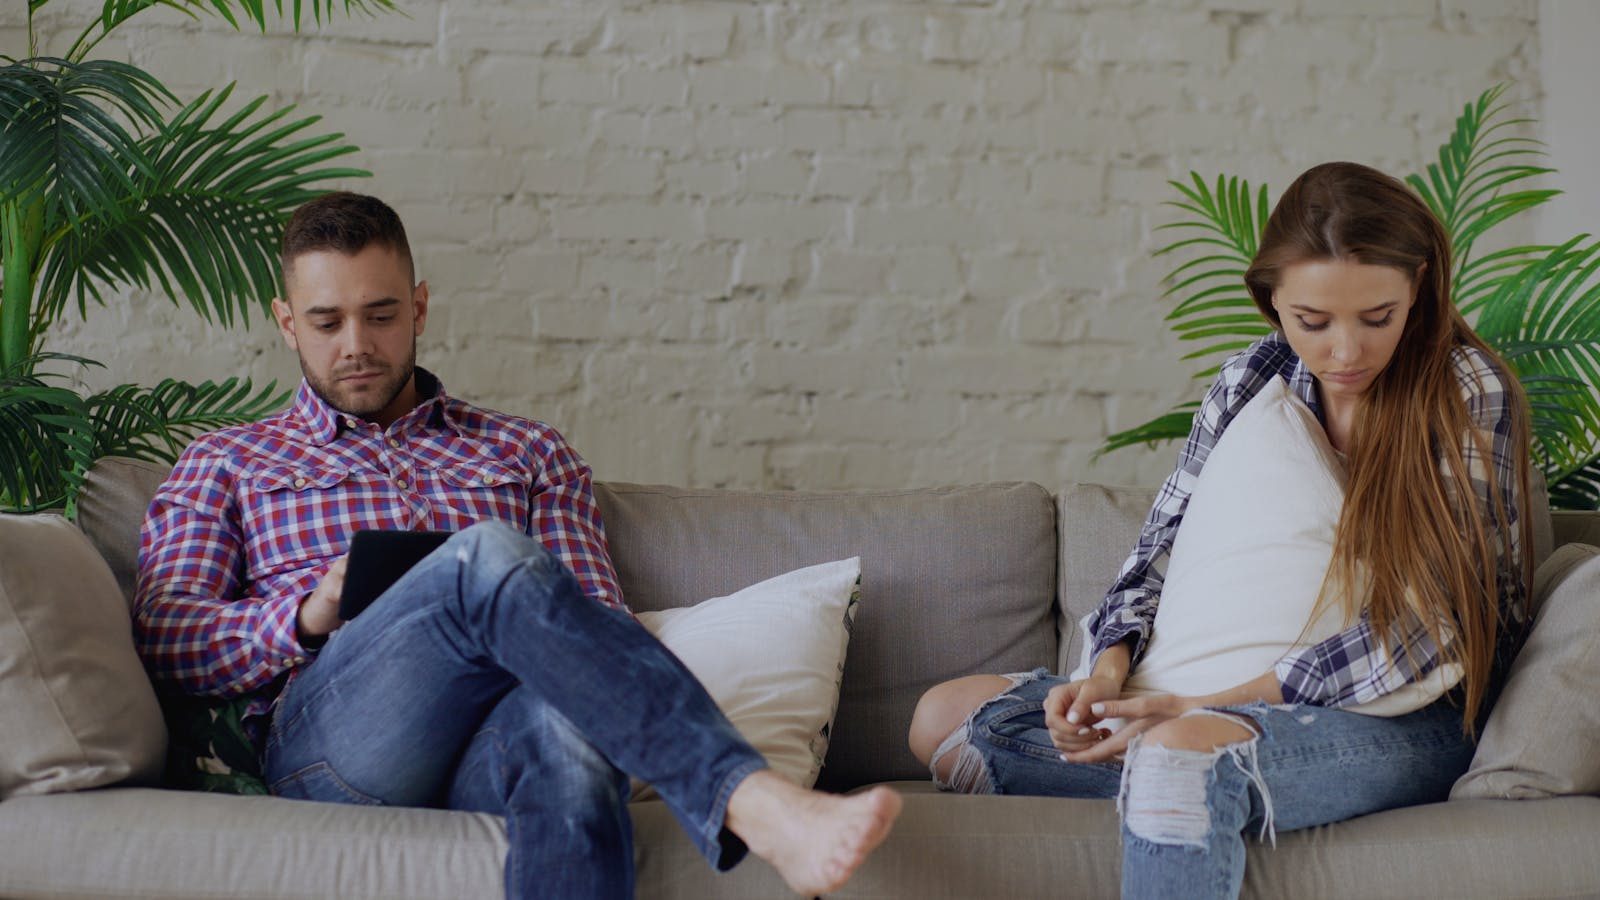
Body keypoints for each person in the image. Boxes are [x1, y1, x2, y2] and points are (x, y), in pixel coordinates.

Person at [134, 191, 900, 899]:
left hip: (495, 741)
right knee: (484, 554)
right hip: (333, 744)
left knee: (568, 724)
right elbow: (167, 637)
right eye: (328, 322)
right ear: (286, 322)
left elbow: (594, 617)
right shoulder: (230, 461)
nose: (357, 345)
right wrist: (308, 612)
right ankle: (749, 798)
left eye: (382, 314)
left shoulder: (527, 452)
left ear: (421, 308)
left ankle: (740, 798)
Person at [905, 162, 1533, 898]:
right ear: (1272, 300)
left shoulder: (1464, 391)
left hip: (1408, 716)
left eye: (1377, 317)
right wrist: (1103, 679)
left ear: (1419, 287)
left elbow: (1440, 628)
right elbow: (1154, 554)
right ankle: (1198, 787)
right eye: (1313, 321)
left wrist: (1204, 709)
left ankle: (1189, 778)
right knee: (943, 718)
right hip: (1214, 708)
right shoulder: (1248, 383)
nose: (1345, 353)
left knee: (1180, 755)